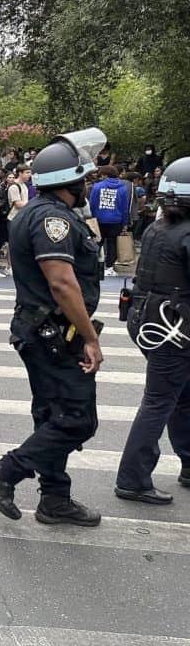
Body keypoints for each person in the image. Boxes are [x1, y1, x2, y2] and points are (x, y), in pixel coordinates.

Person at [0, 128, 107, 527]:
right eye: (83, 179)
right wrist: (91, 338)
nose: (86, 185)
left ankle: (55, 498)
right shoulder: (53, 219)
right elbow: (62, 283)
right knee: (78, 419)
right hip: (54, 335)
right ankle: (5, 472)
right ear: (70, 181)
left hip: (40, 330)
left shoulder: (36, 212)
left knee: (52, 415)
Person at [115, 157, 190, 505]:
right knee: (159, 401)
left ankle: (188, 462)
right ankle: (133, 478)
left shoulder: (157, 229)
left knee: (182, 396)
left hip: (150, 322)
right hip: (174, 330)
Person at [89, 165, 130, 277]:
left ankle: (94, 265)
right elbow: (124, 207)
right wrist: (125, 223)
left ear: (105, 175)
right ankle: (110, 267)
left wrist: (92, 218)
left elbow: (92, 204)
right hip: (116, 220)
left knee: (97, 243)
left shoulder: (97, 187)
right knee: (112, 245)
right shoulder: (122, 188)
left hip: (99, 219)